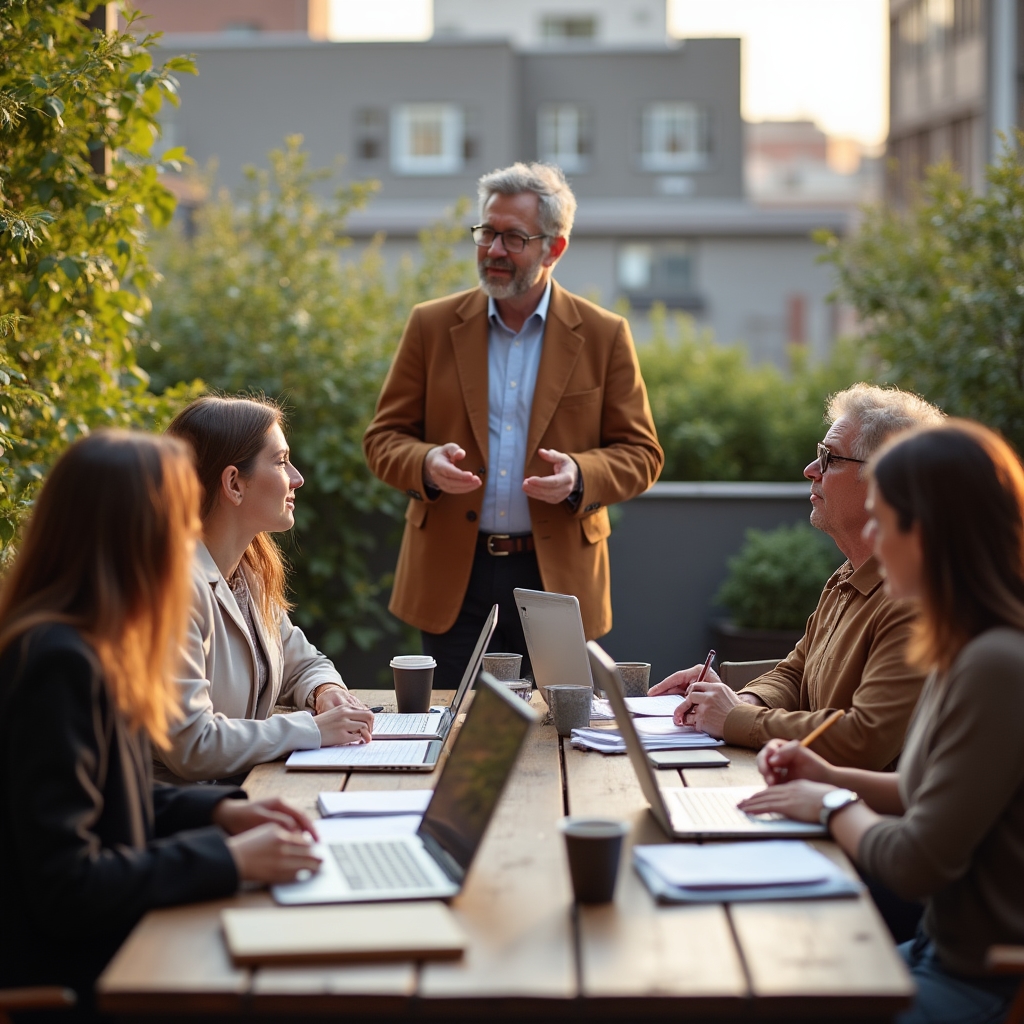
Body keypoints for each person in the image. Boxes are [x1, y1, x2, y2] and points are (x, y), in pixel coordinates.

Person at [0, 431, 322, 1012]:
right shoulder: (56, 665)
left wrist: (220, 811)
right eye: (179, 522)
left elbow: (109, 798)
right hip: (81, 973)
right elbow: (67, 883)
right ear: (132, 535)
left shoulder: (88, 644)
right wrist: (230, 860)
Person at [737, 420, 1024, 1024]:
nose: (873, 538)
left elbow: (916, 862)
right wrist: (825, 775)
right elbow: (925, 795)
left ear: (928, 535)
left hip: (982, 980)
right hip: (932, 952)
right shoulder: (966, 646)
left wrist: (828, 805)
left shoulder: (997, 665)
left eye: (883, 521)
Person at [363, 162, 664, 687]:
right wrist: (426, 464)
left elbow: (642, 454)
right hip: (454, 575)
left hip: (556, 578)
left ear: (555, 248)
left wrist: (579, 474)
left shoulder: (603, 334)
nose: (494, 250)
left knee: (557, 734)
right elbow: (383, 440)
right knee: (456, 735)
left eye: (513, 237)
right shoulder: (430, 325)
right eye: (486, 232)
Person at [650, 384, 944, 770]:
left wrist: (735, 718)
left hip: (861, 816)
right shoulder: (847, 576)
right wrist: (739, 702)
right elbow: (796, 672)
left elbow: (865, 739)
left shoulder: (914, 599)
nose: (810, 470)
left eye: (829, 458)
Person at [157, 396, 373, 785]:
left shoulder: (247, 571)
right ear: (234, 484)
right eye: (280, 461)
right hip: (167, 820)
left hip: (236, 793)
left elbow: (300, 662)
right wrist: (313, 730)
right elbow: (193, 745)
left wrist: (324, 690)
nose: (297, 478)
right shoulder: (171, 590)